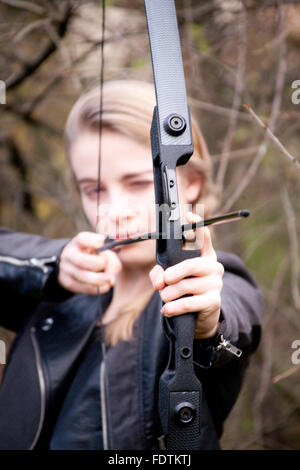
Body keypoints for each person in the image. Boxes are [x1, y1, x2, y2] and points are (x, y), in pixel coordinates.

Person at [0, 80, 263, 450]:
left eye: (138, 183)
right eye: (95, 190)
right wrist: (51, 266)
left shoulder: (221, 281)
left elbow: (232, 323)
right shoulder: (58, 291)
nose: (114, 211)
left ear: (191, 184)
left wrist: (205, 323)